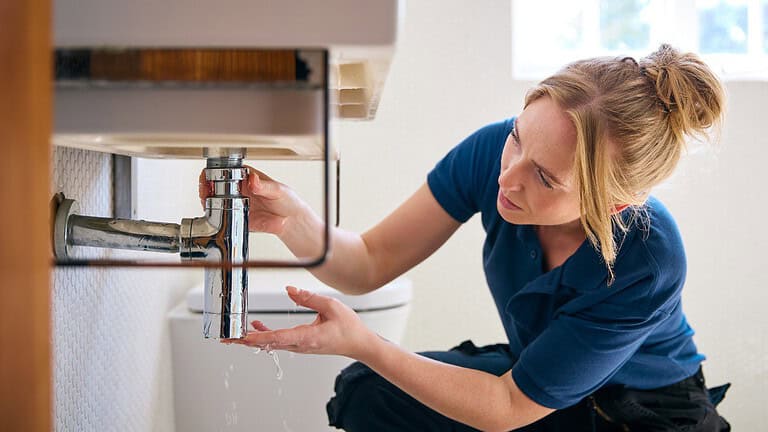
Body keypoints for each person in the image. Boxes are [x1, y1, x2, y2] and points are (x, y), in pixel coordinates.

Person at [206, 44, 731, 431]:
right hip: (538, 380)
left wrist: (364, 342)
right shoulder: (494, 157)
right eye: (517, 138)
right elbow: (368, 261)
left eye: (545, 178)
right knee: (367, 394)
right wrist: (292, 219)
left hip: (642, 412)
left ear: (613, 204)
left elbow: (507, 407)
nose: (509, 177)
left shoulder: (650, 257)